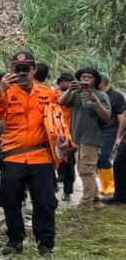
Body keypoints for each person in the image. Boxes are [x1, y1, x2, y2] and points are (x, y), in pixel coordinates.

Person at [0, 52, 59, 255]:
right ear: (11, 71)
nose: (21, 73)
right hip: (13, 157)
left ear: (34, 70)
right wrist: (1, 90)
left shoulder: (48, 94)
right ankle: (15, 240)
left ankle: (45, 244)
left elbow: (59, 120)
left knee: (45, 202)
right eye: (17, 69)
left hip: (41, 157)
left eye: (25, 69)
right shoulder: (4, 94)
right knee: (10, 200)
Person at [59, 67, 112, 206]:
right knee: (85, 169)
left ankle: (86, 202)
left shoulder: (100, 95)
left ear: (95, 80)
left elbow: (107, 117)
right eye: (83, 77)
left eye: (89, 77)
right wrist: (70, 89)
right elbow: (61, 103)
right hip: (78, 138)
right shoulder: (76, 93)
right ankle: (94, 198)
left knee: (85, 170)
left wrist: (95, 101)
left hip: (92, 138)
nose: (86, 80)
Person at [97, 73, 125, 199]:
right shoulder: (95, 94)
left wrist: (119, 136)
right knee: (100, 160)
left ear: (104, 83)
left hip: (111, 131)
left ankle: (111, 186)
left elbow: (121, 117)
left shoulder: (116, 96)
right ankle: (106, 187)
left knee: (104, 158)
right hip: (98, 131)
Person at [54, 73, 77, 201]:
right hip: (55, 133)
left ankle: (68, 191)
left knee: (69, 163)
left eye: (67, 81)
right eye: (62, 81)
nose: (64, 83)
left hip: (70, 135)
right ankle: (53, 186)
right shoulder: (53, 95)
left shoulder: (75, 97)